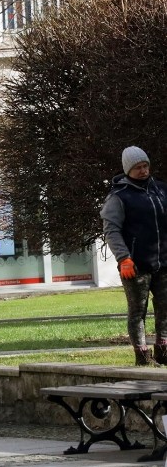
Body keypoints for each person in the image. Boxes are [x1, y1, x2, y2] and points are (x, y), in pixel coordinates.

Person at [100, 146, 167, 366]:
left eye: (145, 165)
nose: (143, 170)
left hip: (163, 262)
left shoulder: (161, 190)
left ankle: (163, 352)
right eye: (138, 167)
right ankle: (143, 357)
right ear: (128, 169)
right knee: (138, 312)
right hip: (135, 265)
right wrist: (123, 258)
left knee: (165, 308)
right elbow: (111, 230)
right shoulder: (119, 197)